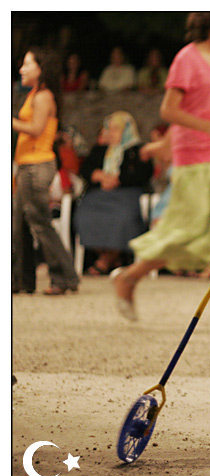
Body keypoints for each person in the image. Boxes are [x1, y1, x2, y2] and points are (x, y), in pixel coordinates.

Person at [112, 12, 210, 333]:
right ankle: (130, 277)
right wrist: (207, 130)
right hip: (193, 159)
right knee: (188, 231)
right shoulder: (187, 58)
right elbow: (169, 110)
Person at [12, 47, 79, 295]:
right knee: (18, 226)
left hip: (38, 165)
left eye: (27, 64)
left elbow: (37, 128)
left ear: (41, 69)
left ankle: (64, 277)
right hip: (27, 165)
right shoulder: (34, 94)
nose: (22, 69)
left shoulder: (43, 97)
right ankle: (21, 281)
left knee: (40, 223)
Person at [74, 111, 154, 275]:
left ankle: (105, 261)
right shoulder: (100, 149)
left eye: (116, 129)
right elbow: (85, 169)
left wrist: (119, 178)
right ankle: (111, 258)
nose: (111, 133)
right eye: (108, 129)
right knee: (85, 216)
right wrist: (99, 175)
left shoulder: (138, 150)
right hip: (98, 195)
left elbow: (143, 173)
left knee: (122, 218)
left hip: (126, 194)